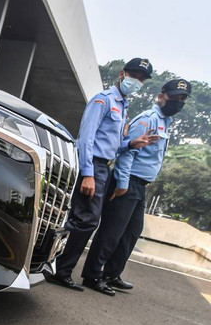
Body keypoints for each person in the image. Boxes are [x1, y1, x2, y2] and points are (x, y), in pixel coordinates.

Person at [45, 58, 158, 292]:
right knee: (85, 220)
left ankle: (58, 267)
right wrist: (88, 173)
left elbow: (111, 145)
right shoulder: (103, 100)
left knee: (84, 220)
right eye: (134, 76)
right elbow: (86, 138)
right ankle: (58, 269)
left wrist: (130, 144)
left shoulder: (123, 106)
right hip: (93, 165)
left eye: (141, 79)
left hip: (103, 167)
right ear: (121, 74)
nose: (137, 82)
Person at [81, 79, 192, 295]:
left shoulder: (165, 122)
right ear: (162, 96)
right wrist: (122, 183)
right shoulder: (147, 120)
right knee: (111, 232)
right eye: (175, 97)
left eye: (182, 100)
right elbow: (128, 152)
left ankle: (111, 274)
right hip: (127, 182)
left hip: (140, 186)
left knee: (131, 232)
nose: (178, 103)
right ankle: (92, 275)